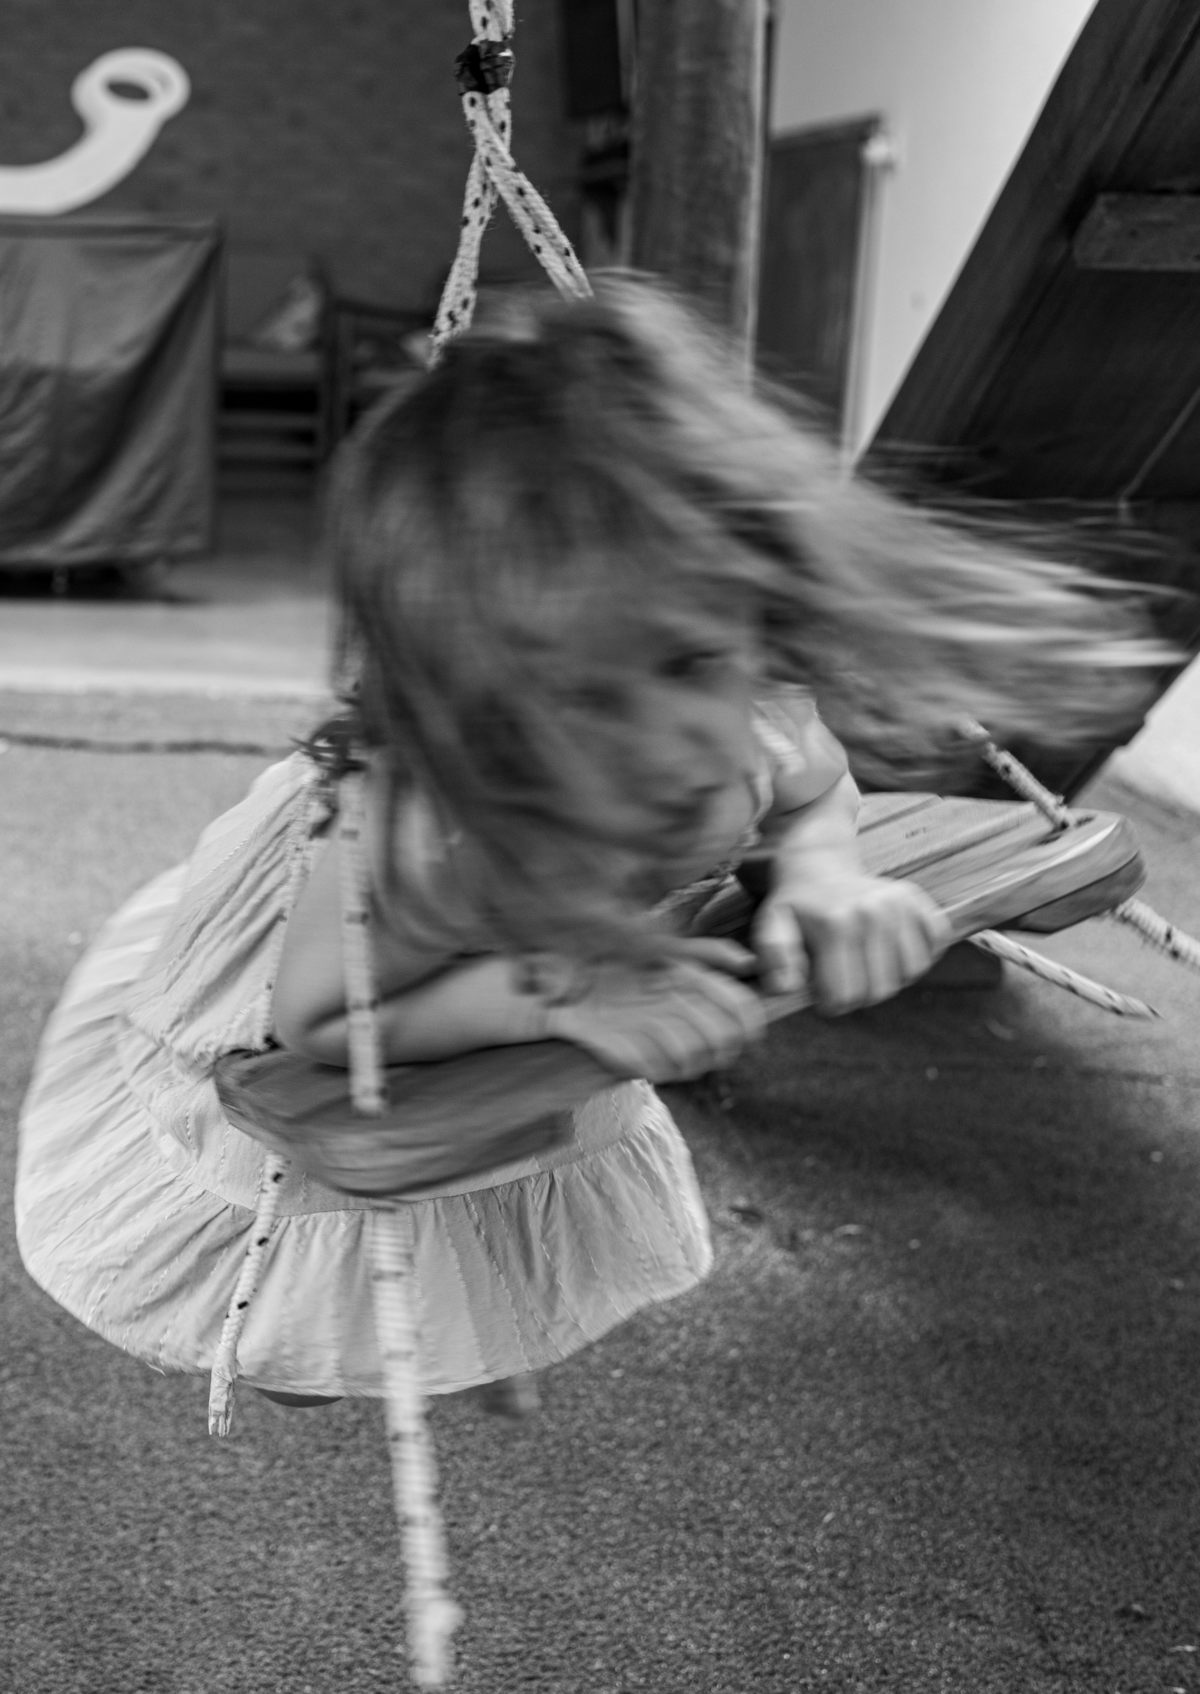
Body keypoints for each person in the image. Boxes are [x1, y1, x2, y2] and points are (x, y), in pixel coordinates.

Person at [14, 275, 1163, 1411]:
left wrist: (825, 878)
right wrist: (562, 996)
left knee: (512, 1158)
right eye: (586, 696)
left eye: (693, 659)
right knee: (309, 1343)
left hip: (543, 935)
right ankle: (341, 1339)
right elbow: (327, 1022)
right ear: (476, 705)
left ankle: (467, 1319)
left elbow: (815, 794)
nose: (671, 737)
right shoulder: (425, 826)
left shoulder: (748, 723)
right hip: (358, 959)